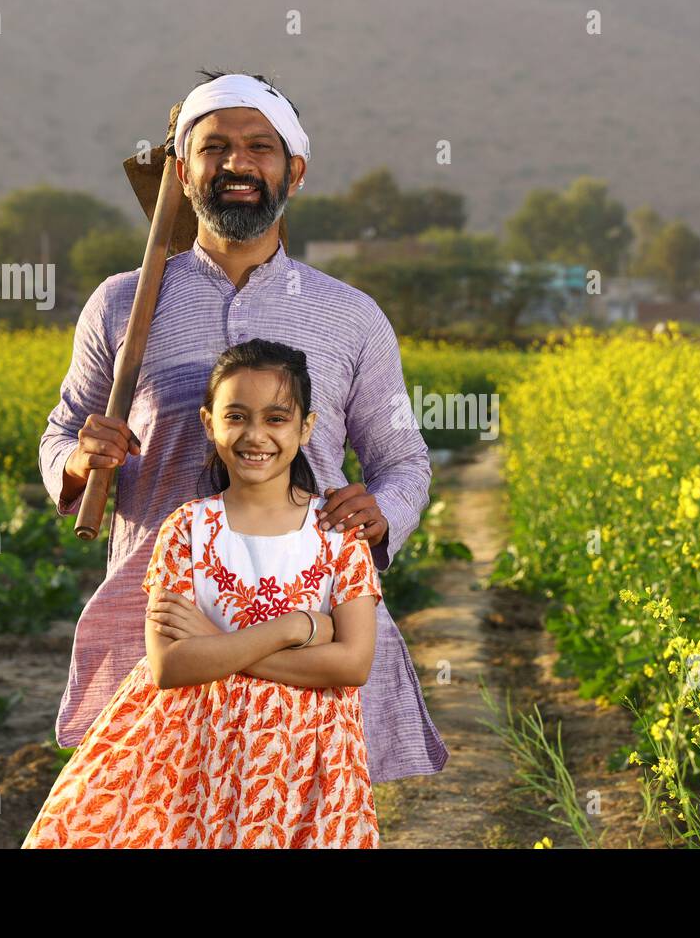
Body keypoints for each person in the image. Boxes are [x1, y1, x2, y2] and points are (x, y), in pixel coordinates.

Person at [39, 70, 448, 784]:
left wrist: (384, 510)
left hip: (309, 625)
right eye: (215, 147)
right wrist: (77, 460)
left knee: (294, 812)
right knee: (164, 816)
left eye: (260, 147)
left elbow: (404, 460)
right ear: (182, 170)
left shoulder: (351, 315)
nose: (237, 164)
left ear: (295, 170)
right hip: (163, 624)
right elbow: (62, 431)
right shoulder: (121, 305)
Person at [24, 339, 381, 847]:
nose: (255, 435)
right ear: (208, 422)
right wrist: (294, 628)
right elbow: (170, 666)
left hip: (306, 760)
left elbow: (351, 665)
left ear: (306, 427)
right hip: (192, 756)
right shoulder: (186, 529)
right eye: (236, 416)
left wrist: (215, 644)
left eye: (277, 419)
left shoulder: (337, 533)